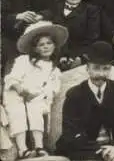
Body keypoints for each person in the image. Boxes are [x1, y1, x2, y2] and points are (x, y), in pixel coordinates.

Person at [3, 21, 67, 159]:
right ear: (35, 48)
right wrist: (22, 91)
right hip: (17, 93)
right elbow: (11, 79)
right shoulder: (24, 60)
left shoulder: (54, 69)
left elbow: (54, 89)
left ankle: (39, 146)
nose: (45, 47)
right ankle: (23, 149)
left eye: (49, 43)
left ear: (54, 45)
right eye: (41, 45)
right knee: (18, 112)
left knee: (36, 108)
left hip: (37, 98)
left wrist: (42, 95)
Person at [39, 0, 100, 71]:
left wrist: (77, 58)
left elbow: (92, 37)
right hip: (53, 56)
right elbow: (46, 14)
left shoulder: (90, 11)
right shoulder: (56, 6)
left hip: (78, 58)